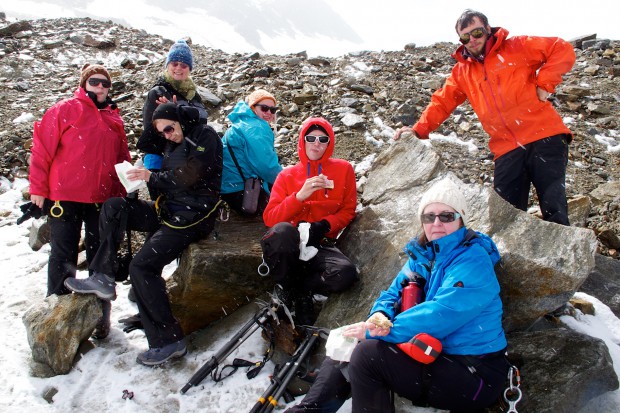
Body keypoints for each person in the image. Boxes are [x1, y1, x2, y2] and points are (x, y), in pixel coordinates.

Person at [287, 178, 509, 413]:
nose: (436, 223)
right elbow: (393, 293)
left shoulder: (472, 259)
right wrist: (379, 317)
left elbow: (443, 313)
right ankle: (307, 410)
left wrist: (377, 331)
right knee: (353, 341)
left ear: (461, 220)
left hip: (474, 373)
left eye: (446, 216)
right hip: (433, 355)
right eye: (429, 216)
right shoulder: (424, 255)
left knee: (367, 354)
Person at [65, 102, 223, 366]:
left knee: (142, 267)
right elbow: (145, 143)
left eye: (170, 129)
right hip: (168, 210)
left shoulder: (205, 136)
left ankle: (168, 340)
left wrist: (151, 176)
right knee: (115, 206)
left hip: (194, 216)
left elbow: (189, 176)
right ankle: (103, 275)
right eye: (162, 132)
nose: (167, 135)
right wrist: (157, 114)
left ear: (182, 121)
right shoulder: (170, 139)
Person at [394, 9, 576, 226]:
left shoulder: (518, 46)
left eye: (477, 33)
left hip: (545, 136)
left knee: (553, 206)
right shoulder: (462, 71)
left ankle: (564, 258)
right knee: (503, 218)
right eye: (465, 37)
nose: (472, 40)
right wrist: (418, 130)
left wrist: (545, 83)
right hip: (506, 148)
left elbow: (561, 48)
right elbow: (442, 102)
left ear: (488, 29)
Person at [28, 63, 130, 337]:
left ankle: (99, 318)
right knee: (63, 255)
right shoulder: (65, 109)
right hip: (65, 197)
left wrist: (123, 191)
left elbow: (122, 159)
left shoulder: (113, 118)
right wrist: (37, 188)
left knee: (101, 260)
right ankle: (57, 317)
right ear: (84, 83)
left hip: (101, 199)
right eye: (94, 82)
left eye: (105, 83)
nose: (100, 87)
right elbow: (42, 150)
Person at [261, 117, 358, 326]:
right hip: (290, 244)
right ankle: (288, 288)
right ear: (302, 141)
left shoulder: (344, 170)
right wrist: (299, 197)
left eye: (323, 139)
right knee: (281, 233)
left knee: (346, 273)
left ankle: (299, 288)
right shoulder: (287, 176)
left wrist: (324, 226)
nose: (316, 143)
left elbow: (349, 209)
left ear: (329, 143)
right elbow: (270, 218)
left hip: (320, 243)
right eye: (311, 138)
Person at [137, 39, 208, 200]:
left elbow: (203, 117)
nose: (178, 68)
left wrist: (178, 111)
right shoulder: (158, 91)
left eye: (183, 65)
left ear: (189, 69)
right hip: (159, 156)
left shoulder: (193, 94)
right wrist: (181, 115)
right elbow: (155, 128)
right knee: (163, 202)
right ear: (167, 65)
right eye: (174, 63)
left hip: (185, 155)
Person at [220, 89, 283, 216]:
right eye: (264, 108)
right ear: (252, 107)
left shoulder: (242, 122)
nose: (269, 113)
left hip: (229, 190)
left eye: (273, 110)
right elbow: (266, 167)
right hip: (244, 194)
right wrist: (288, 181)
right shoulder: (255, 128)